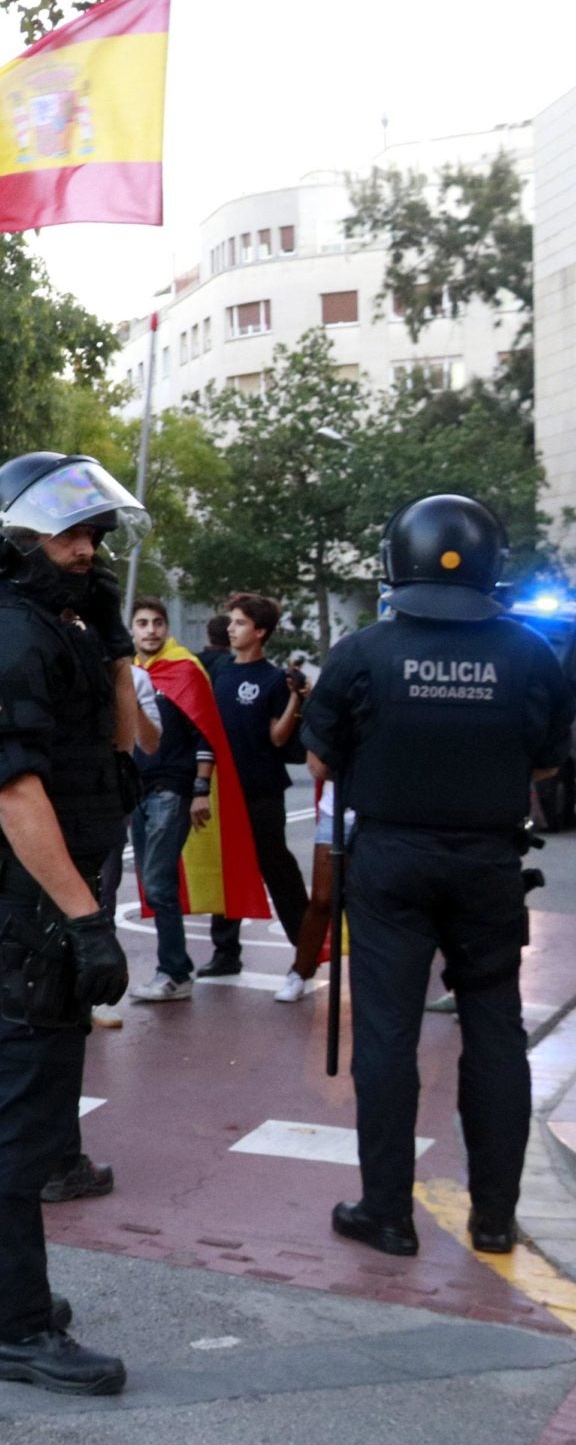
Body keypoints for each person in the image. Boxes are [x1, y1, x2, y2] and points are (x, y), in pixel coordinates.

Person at [0, 453, 147, 1395]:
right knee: (22, 1111)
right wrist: (86, 918)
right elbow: (14, 791)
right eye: (69, 534)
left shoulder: (54, 628)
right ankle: (13, 1327)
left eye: (93, 534)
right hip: (24, 900)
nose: (87, 550)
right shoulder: (2, 639)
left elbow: (132, 747)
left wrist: (115, 653)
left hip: (14, 895)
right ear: (14, 540)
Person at [305, 494, 574, 1259]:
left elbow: (320, 759)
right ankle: (494, 1217)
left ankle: (386, 1211)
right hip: (489, 861)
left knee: (387, 1030)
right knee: (495, 1029)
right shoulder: (528, 653)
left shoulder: (362, 651)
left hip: (391, 860)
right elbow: (550, 761)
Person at [200, 592, 311, 986]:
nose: (231, 628)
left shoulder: (272, 679)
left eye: (240, 622)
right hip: (223, 790)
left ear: (260, 631)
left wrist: (294, 701)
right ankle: (225, 953)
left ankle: (305, 950)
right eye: (231, 622)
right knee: (227, 867)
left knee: (275, 866)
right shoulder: (221, 674)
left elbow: (279, 739)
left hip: (263, 789)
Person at [120, 600, 210, 1005]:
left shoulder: (186, 671)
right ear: (132, 631)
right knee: (154, 883)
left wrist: (200, 791)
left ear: (168, 628)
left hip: (171, 789)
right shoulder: (129, 676)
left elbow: (204, 733)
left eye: (158, 623)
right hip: (139, 790)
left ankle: (174, 971)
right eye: (142, 624)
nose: (151, 630)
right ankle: (174, 970)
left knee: (158, 883)